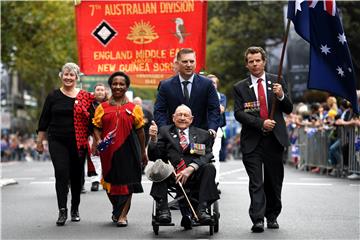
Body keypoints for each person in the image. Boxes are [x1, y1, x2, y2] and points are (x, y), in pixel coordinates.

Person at [233, 46, 293, 233]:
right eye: (251, 61)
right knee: (256, 181)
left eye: (258, 60)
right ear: (247, 64)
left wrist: (281, 95)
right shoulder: (240, 87)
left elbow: (289, 108)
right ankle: (257, 219)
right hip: (252, 140)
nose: (255, 64)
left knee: (273, 181)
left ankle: (272, 215)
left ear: (264, 61)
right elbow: (238, 113)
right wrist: (260, 123)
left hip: (274, 140)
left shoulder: (277, 81)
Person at [36, 62, 94, 226]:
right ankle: (62, 210)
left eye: (71, 75)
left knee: (76, 177)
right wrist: (39, 141)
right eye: (65, 74)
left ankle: (75, 208)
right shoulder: (53, 96)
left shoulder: (84, 97)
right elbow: (44, 120)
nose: (68, 77)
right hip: (57, 140)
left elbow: (93, 120)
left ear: (77, 77)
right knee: (61, 173)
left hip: (79, 141)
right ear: (61, 76)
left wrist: (96, 140)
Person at [147, 104, 220, 229]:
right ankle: (163, 210)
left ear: (191, 119)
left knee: (209, 168)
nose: (182, 118)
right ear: (173, 118)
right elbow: (154, 155)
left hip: (194, 175)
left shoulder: (203, 135)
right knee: (159, 168)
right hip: (171, 174)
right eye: (179, 115)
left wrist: (191, 168)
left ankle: (202, 210)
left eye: (185, 115)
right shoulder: (164, 132)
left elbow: (208, 155)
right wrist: (153, 139)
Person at [92, 71, 148, 227]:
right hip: (108, 152)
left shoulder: (134, 108)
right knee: (111, 183)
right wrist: (99, 141)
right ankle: (116, 209)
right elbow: (96, 127)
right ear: (111, 86)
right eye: (115, 84)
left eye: (121, 84)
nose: (118, 86)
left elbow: (140, 131)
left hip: (130, 150)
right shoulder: (102, 108)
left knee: (128, 182)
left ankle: (123, 215)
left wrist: (143, 152)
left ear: (126, 87)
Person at [153, 48, 220, 137]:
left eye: (192, 61)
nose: (189, 65)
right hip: (172, 138)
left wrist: (212, 129)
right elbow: (159, 111)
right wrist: (164, 130)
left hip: (200, 136)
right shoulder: (165, 85)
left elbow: (214, 109)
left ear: (195, 62)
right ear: (177, 63)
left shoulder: (207, 84)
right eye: (185, 62)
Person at [207, 74, 227, 188]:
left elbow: (221, 110)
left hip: (217, 129)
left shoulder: (221, 96)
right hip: (203, 129)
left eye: (214, 83)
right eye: (210, 83)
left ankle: (215, 181)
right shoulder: (203, 95)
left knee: (215, 155)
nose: (212, 85)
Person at [87, 83, 108, 191]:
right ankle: (95, 180)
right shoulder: (89, 105)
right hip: (92, 135)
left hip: (107, 135)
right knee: (94, 157)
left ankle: (105, 179)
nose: (100, 92)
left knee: (106, 157)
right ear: (94, 92)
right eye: (98, 90)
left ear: (105, 92)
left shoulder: (110, 104)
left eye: (102, 90)